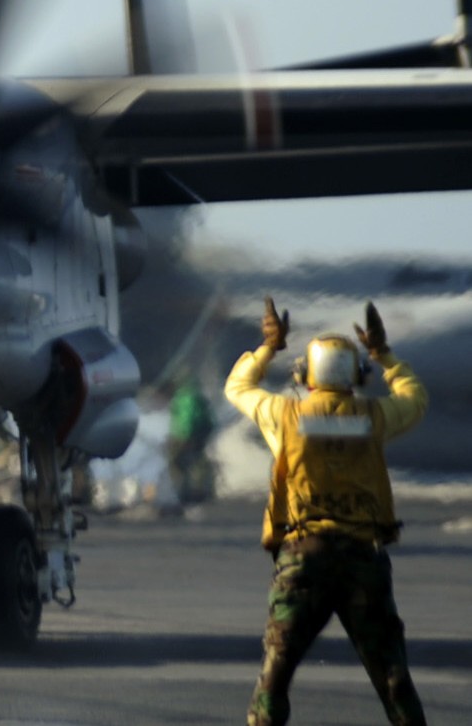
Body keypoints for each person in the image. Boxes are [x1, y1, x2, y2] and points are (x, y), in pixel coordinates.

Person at [227, 297, 428, 726]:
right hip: (363, 561)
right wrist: (384, 355)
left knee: (274, 681)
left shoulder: (285, 414)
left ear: (305, 376)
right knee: (393, 679)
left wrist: (267, 348)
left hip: (303, 560)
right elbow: (415, 397)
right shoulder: (374, 418)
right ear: (357, 376)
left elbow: (238, 387)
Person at [164, 374, 218, 508]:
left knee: (177, 463)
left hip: (185, 435)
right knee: (195, 462)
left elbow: (186, 419)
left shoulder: (184, 398)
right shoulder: (196, 396)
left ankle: (183, 493)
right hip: (198, 434)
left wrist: (183, 435)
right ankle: (198, 491)